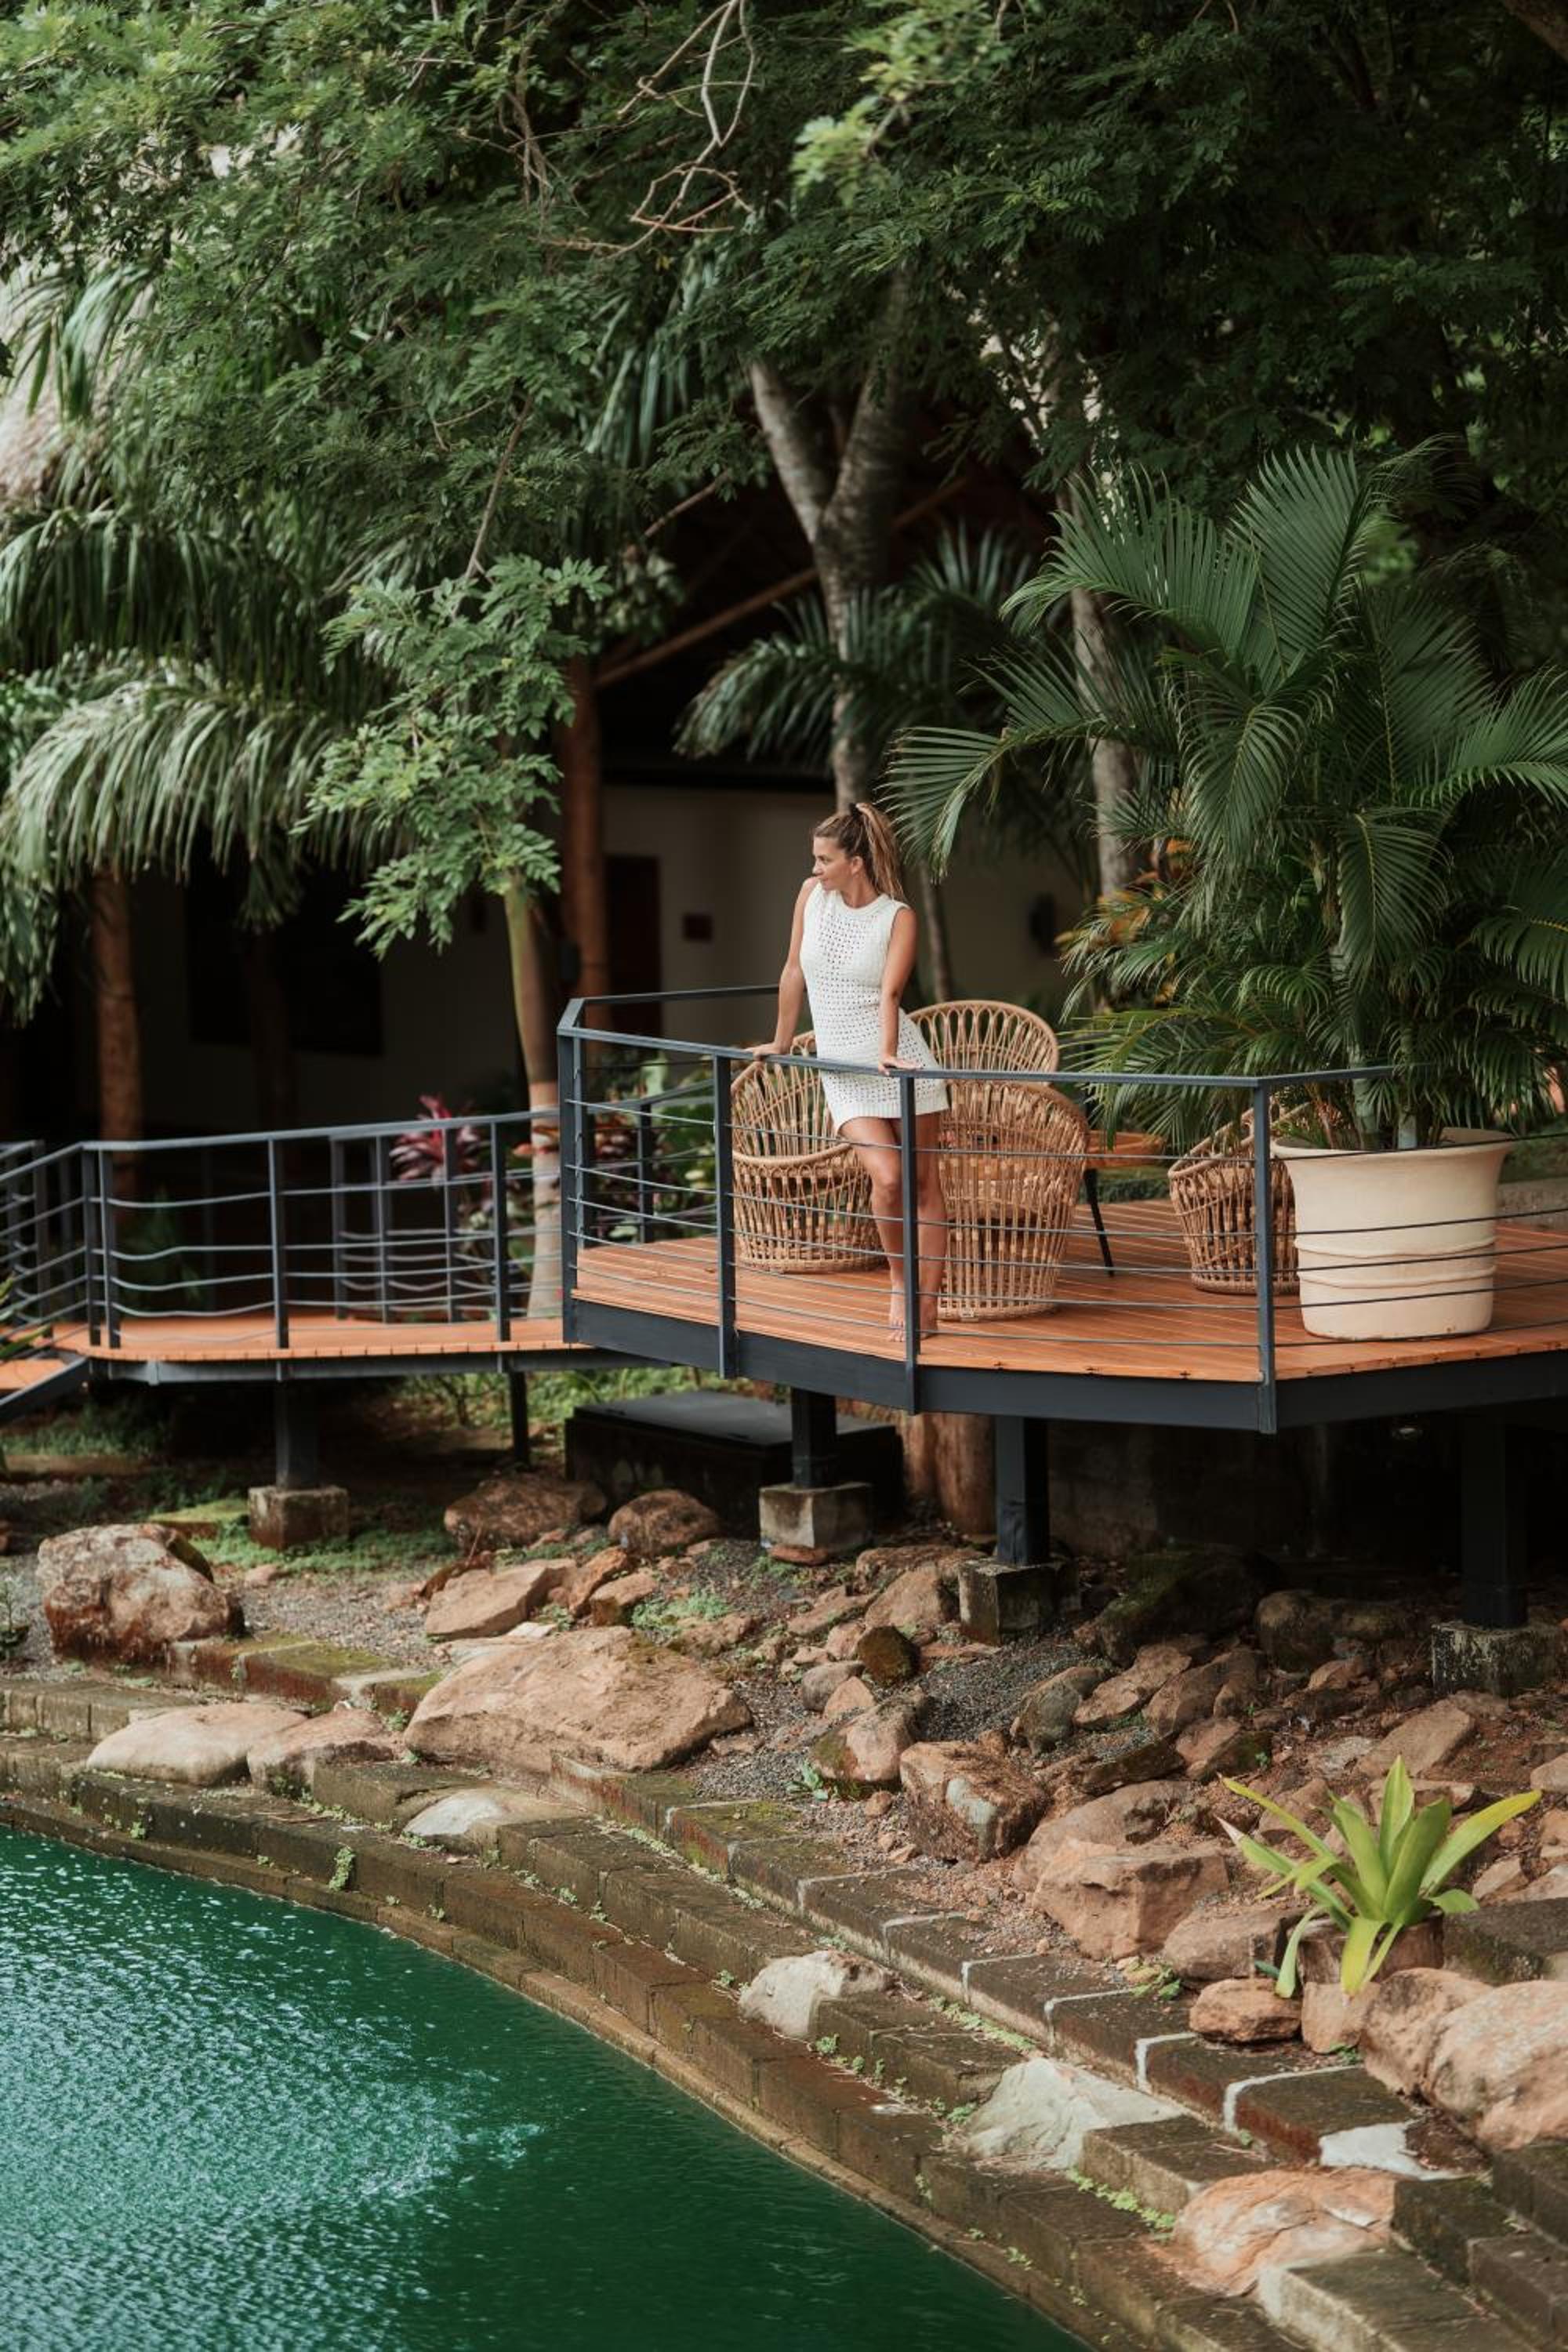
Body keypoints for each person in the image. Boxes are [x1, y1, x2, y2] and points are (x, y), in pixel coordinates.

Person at [753, 803, 949, 1335]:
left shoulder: (897, 917)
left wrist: (886, 1050)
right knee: (888, 1176)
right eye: (815, 859)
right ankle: (899, 1280)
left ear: (855, 863)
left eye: (825, 860)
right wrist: (781, 1040)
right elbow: (793, 970)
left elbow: (890, 993)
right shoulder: (811, 896)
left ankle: (928, 1308)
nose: (816, 868)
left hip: (899, 1063)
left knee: (924, 1185)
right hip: (842, 1071)